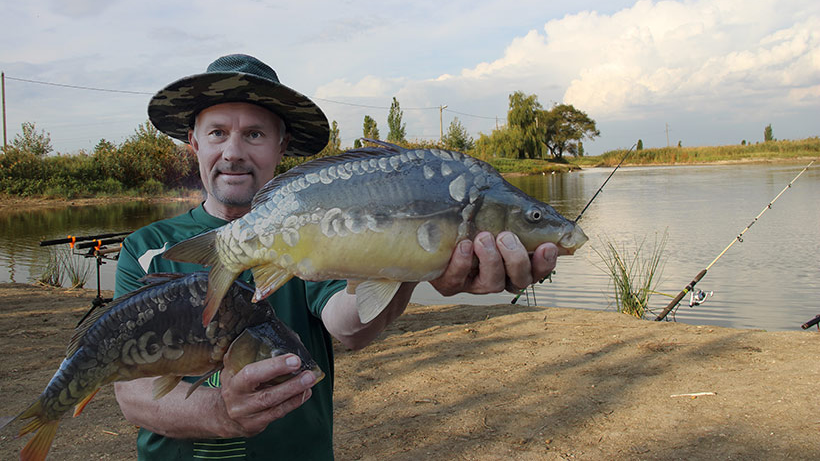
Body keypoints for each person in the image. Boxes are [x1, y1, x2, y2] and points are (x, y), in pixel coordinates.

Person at [113, 54, 562, 460]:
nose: (233, 152)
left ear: (280, 145)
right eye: (217, 133)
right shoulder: (148, 248)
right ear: (194, 142)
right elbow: (130, 392)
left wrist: (415, 258)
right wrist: (223, 411)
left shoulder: (321, 226)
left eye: (254, 134)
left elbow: (349, 325)